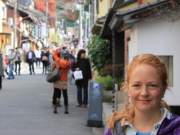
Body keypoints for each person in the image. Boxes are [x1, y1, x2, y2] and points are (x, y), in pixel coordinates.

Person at [104, 54, 180, 135]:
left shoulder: (177, 128)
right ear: (128, 88)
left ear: (163, 89)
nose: (144, 93)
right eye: (137, 85)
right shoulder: (114, 129)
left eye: (152, 85)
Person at [52, 48, 71, 114]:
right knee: (65, 94)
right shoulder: (68, 63)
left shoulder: (58, 61)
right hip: (64, 80)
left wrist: (58, 51)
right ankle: (66, 109)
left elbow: (54, 54)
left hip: (57, 79)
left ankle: (55, 108)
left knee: (56, 94)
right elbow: (68, 70)